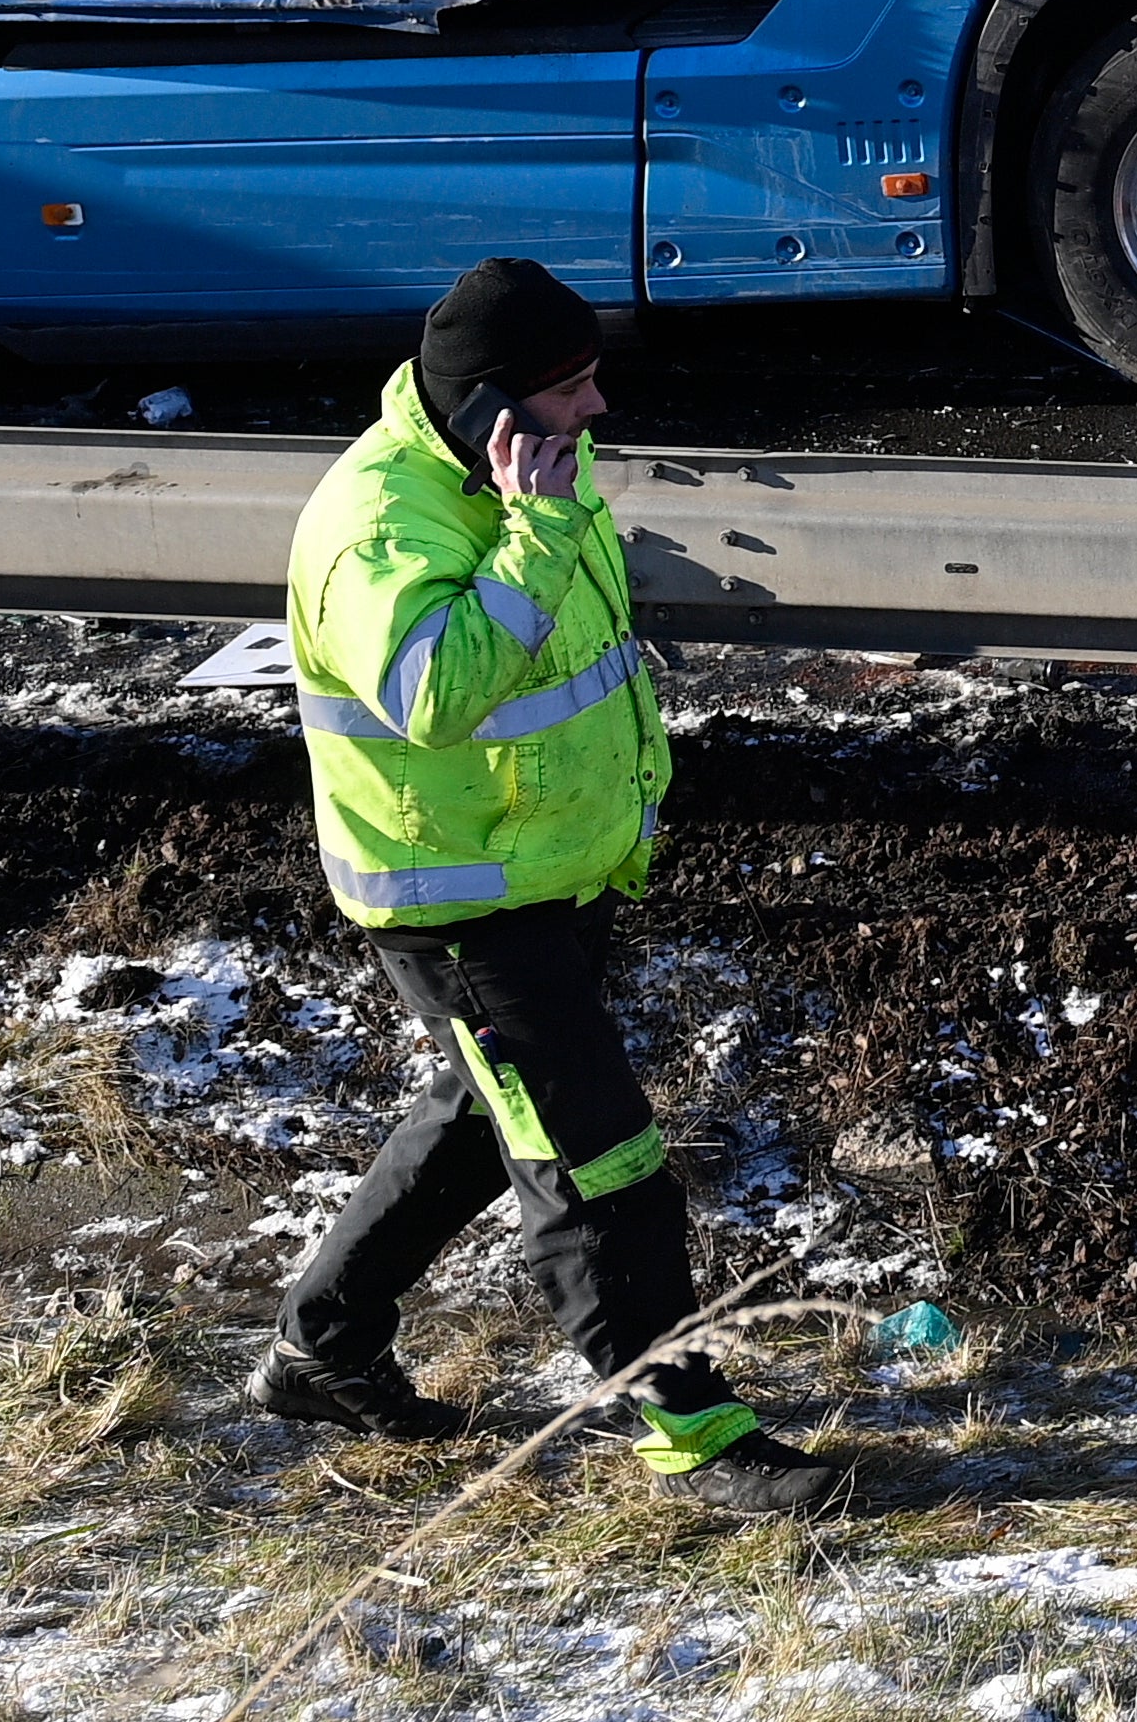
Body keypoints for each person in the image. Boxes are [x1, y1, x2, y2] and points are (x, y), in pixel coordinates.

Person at [248, 257, 844, 1517]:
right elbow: (433, 696)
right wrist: (539, 534)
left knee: (482, 1117)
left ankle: (323, 1345)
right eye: (572, 388)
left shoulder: (528, 487)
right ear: (489, 409)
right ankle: (687, 1425)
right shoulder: (384, 523)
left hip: (551, 878)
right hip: (463, 906)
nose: (598, 409)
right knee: (598, 1155)